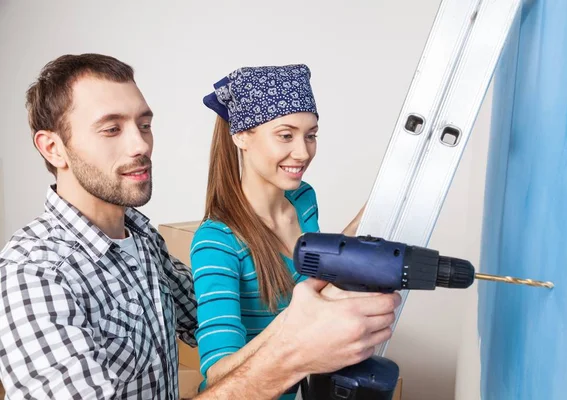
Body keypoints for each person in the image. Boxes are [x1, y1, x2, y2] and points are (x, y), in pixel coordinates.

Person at [0, 53, 400, 400]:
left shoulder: (140, 240)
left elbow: (210, 318)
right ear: (53, 148)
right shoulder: (34, 274)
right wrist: (293, 351)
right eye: (111, 128)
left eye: (144, 124)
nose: (140, 145)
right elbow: (230, 364)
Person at [191, 64, 365, 398]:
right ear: (241, 136)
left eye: (310, 135)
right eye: (286, 135)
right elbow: (218, 375)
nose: (303, 152)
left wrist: (360, 230)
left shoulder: (303, 199)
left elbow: (316, 283)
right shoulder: (217, 242)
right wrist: (297, 331)